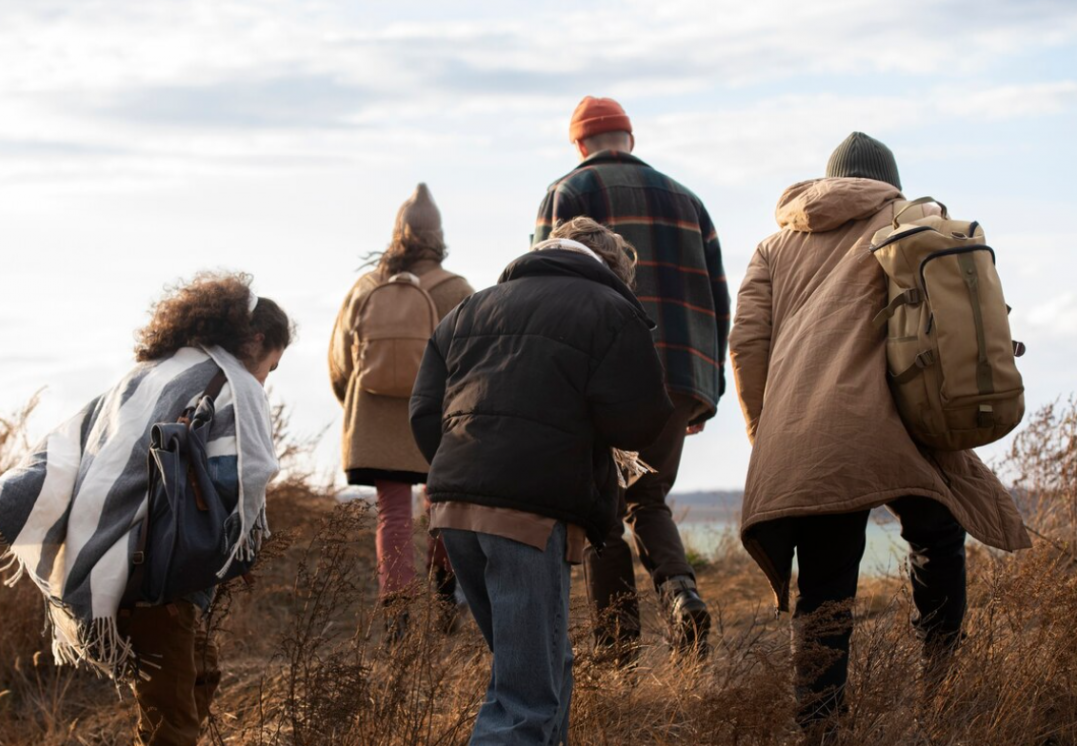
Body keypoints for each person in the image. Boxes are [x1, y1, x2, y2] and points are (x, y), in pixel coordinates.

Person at [730, 132, 1031, 730]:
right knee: (938, 540)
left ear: (828, 180)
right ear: (887, 178)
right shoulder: (918, 220)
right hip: (910, 421)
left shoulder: (774, 246)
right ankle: (941, 690)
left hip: (813, 430)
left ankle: (820, 725)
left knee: (825, 586)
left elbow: (746, 346)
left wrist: (768, 434)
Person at [0, 272, 292, 746]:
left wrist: (1, 499)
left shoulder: (145, 375)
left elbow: (69, 448)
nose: (266, 376)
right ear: (258, 340)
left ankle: (3, 499)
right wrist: (236, 541)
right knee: (172, 725)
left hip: (110, 563)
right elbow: (246, 477)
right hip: (164, 573)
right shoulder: (237, 385)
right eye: (273, 365)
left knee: (195, 681)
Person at [411, 216, 673, 745]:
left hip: (455, 511)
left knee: (545, 670)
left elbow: (423, 413)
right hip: (528, 517)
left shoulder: (469, 309)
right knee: (523, 701)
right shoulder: (610, 310)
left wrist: (469, 472)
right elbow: (642, 420)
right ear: (615, 269)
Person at [533, 96, 729, 653]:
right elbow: (719, 300)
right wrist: (704, 392)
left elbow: (542, 290)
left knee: (603, 511)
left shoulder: (568, 194)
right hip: (682, 374)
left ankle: (617, 648)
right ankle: (680, 591)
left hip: (605, 372)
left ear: (578, 143)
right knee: (647, 493)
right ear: (630, 139)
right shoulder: (689, 200)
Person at [329, 183, 474, 633]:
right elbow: (474, 363)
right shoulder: (458, 291)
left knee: (391, 514)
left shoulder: (366, 286)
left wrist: (356, 406)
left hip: (375, 419)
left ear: (398, 233)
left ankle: (397, 617)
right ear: (439, 237)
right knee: (442, 507)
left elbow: (339, 362)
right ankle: (446, 597)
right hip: (437, 419)